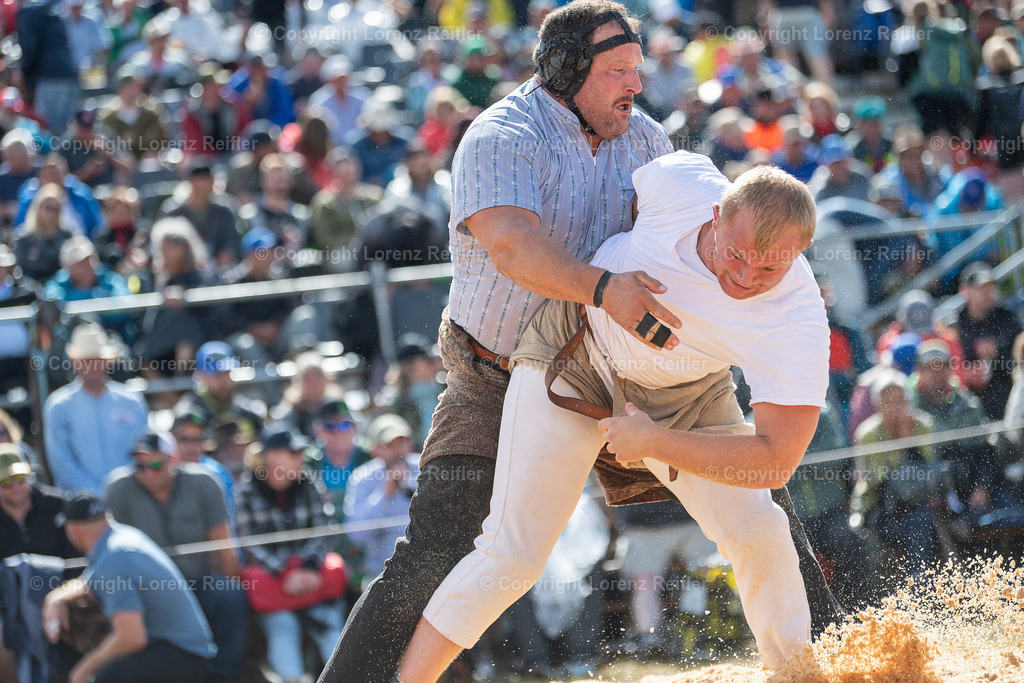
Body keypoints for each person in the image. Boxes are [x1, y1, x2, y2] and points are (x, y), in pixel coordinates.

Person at [320, 4, 837, 680]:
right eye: (617, 70)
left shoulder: (650, 144)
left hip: (648, 366)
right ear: (564, 70)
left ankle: (839, 660)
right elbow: (512, 247)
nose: (634, 85)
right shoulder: (501, 135)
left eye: (639, 71)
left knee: (763, 516)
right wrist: (603, 289)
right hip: (498, 368)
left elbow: (705, 249)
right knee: (437, 551)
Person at [397, 158, 829, 679]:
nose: (744, 277)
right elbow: (613, 198)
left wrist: (655, 441)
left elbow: (774, 463)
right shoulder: (681, 180)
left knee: (760, 527)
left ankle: (798, 675)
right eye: (735, 254)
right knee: (513, 554)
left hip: (688, 392)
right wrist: (607, 282)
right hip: (576, 351)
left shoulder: (799, 320)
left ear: (801, 255)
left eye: (768, 268)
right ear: (715, 214)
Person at [104, 430, 247, 683]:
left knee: (230, 595)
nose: (148, 471)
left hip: (197, 580)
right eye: (141, 465)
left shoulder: (204, 482)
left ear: (174, 459)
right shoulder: (118, 488)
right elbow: (112, 550)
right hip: (150, 589)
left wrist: (237, 580)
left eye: (156, 464)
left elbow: (222, 545)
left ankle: (223, 677)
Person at [41, 492, 216, 682]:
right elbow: (85, 583)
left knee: (108, 676)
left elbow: (132, 638)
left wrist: (84, 669)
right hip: (184, 650)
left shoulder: (113, 557)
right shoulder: (120, 539)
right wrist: (55, 598)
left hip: (180, 654)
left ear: (73, 529)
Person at [235, 428, 344, 682]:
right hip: (275, 582)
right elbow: (250, 544)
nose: (300, 457)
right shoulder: (247, 488)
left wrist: (307, 567)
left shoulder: (308, 480)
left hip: (311, 578)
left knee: (335, 572)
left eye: (301, 451)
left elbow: (326, 529)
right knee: (278, 622)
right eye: (293, 452)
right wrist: (285, 572)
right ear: (271, 455)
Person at [43, 323, 149, 494]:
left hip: (131, 496)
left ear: (108, 361)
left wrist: (125, 492)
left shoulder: (132, 401)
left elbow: (143, 451)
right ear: (74, 363)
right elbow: (61, 462)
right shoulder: (58, 406)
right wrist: (95, 495)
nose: (93, 365)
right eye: (86, 360)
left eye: (97, 359)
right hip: (83, 503)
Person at [344, 415, 420, 589]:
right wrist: (383, 495)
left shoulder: (426, 468)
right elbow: (355, 536)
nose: (399, 451)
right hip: (383, 574)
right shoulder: (362, 479)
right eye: (389, 445)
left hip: (427, 568)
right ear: (375, 449)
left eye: (403, 443)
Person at [957, 261, 1023, 420]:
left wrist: (999, 355)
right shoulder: (955, 326)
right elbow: (945, 367)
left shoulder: (1008, 320)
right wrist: (965, 375)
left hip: (1007, 394)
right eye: (981, 288)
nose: (988, 293)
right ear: (965, 291)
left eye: (991, 287)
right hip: (969, 402)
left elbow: (1021, 360)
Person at [17, 0, 80, 136]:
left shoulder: (27, 15)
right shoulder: (53, 14)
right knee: (68, 131)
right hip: (70, 77)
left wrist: (24, 73)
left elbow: (30, 48)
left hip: (50, 80)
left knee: (51, 130)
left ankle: (58, 158)